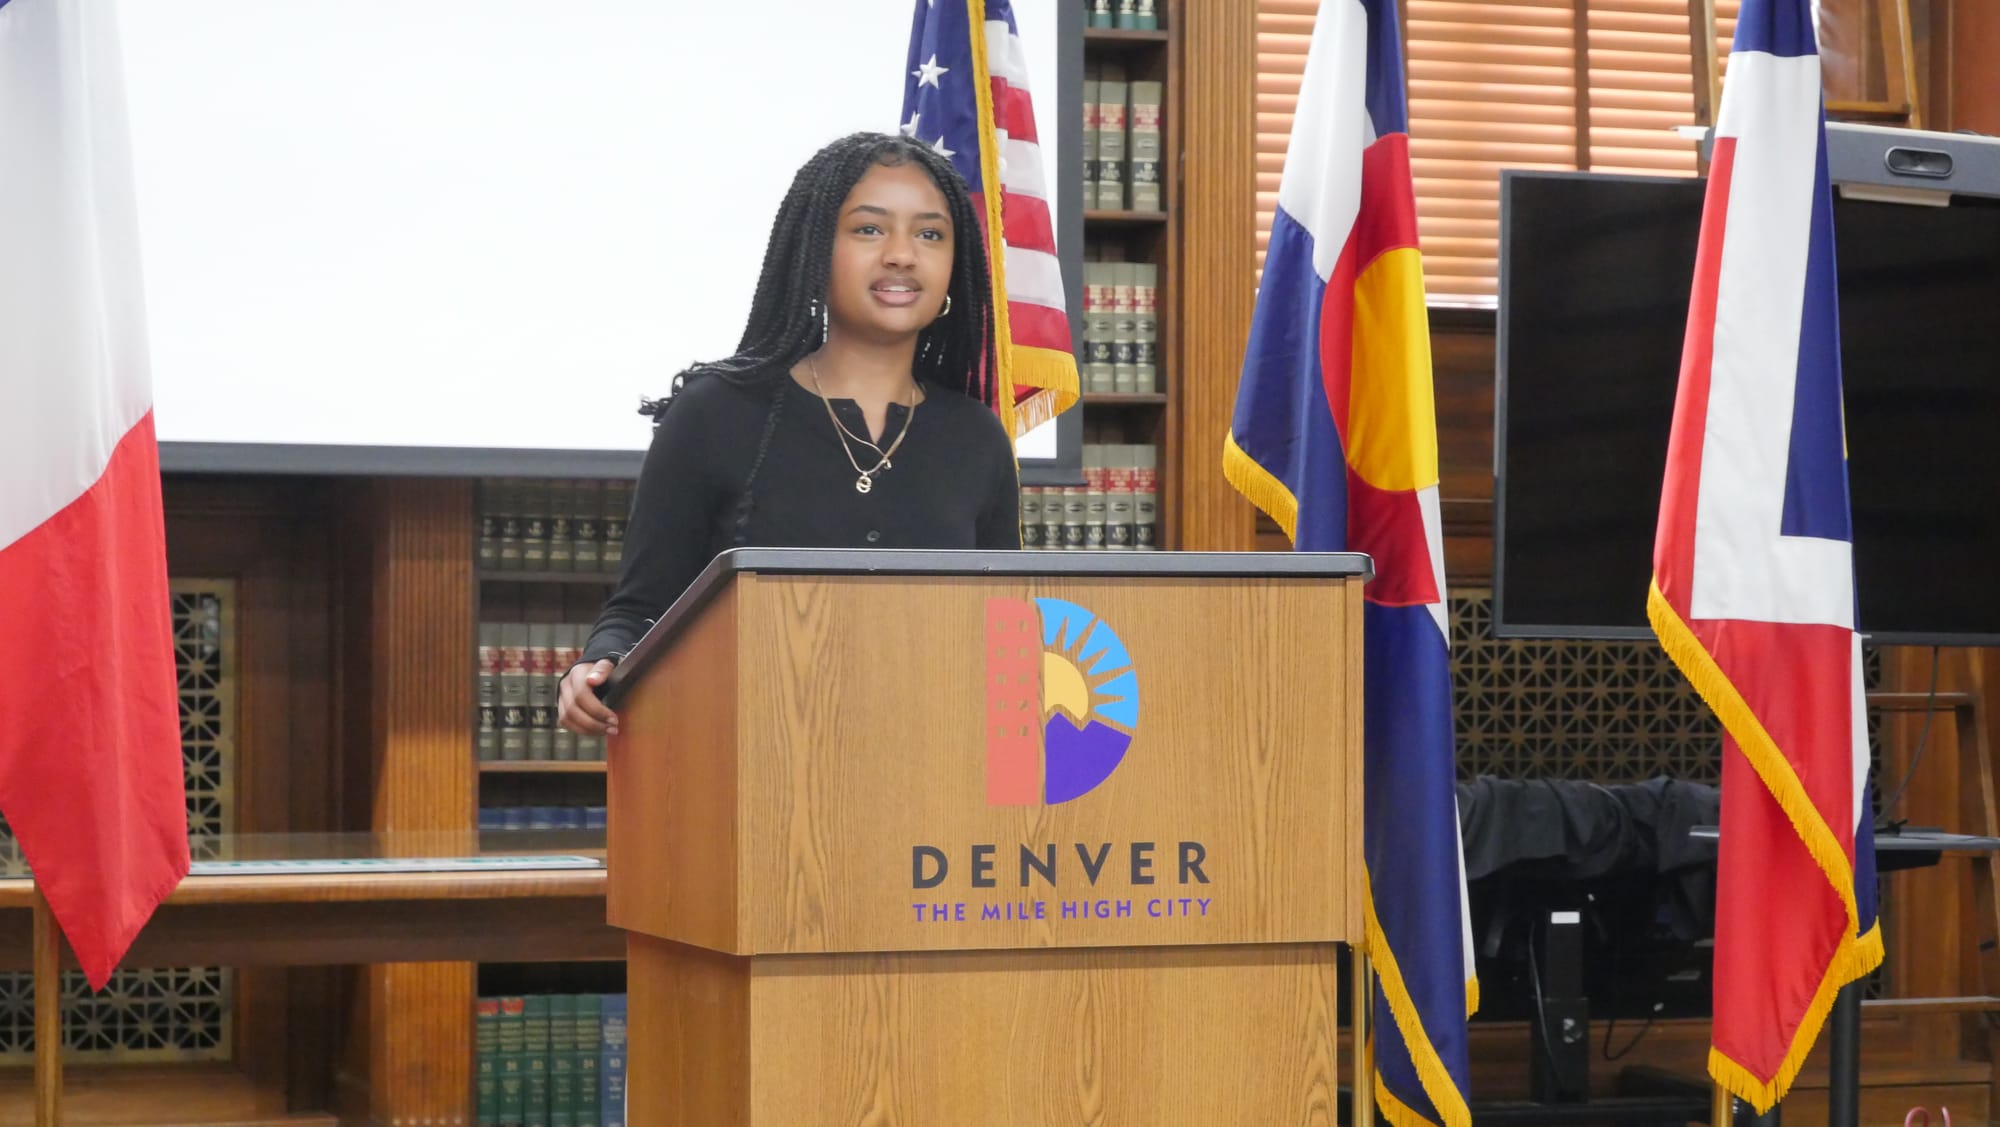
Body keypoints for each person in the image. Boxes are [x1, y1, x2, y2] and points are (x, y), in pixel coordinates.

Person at [557, 131, 1021, 738]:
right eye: (869, 229)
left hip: (934, 771)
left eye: (930, 234)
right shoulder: (715, 413)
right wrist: (599, 664)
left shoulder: (976, 438)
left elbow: (1007, 635)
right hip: (752, 757)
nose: (903, 255)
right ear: (813, 251)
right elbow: (644, 610)